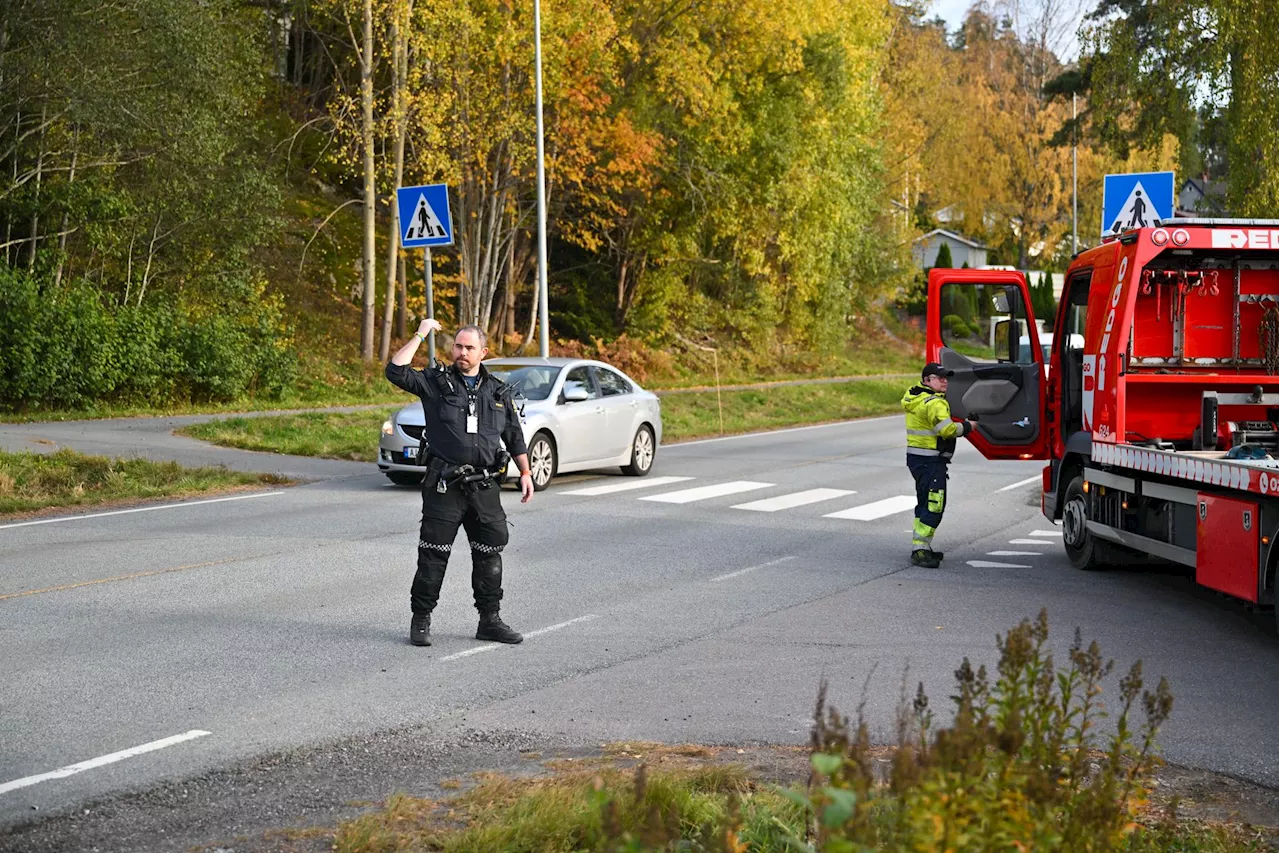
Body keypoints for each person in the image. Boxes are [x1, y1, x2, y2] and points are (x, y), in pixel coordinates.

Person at [386, 320, 535, 646]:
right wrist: (421, 333)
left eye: (469, 347)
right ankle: (421, 620)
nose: (462, 352)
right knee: (433, 554)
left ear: (483, 352)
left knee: (490, 552)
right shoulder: (436, 383)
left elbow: (513, 435)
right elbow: (396, 371)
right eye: (458, 346)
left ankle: (490, 620)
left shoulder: (498, 391)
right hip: (445, 484)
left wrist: (525, 473)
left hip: (484, 487)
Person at [902, 363, 977, 569]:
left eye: (946, 378)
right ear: (927, 380)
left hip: (917, 459)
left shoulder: (915, 396)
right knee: (935, 504)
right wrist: (969, 426)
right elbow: (948, 431)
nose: (945, 381)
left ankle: (922, 546)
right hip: (931, 461)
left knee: (924, 501)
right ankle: (920, 550)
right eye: (939, 378)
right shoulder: (935, 403)